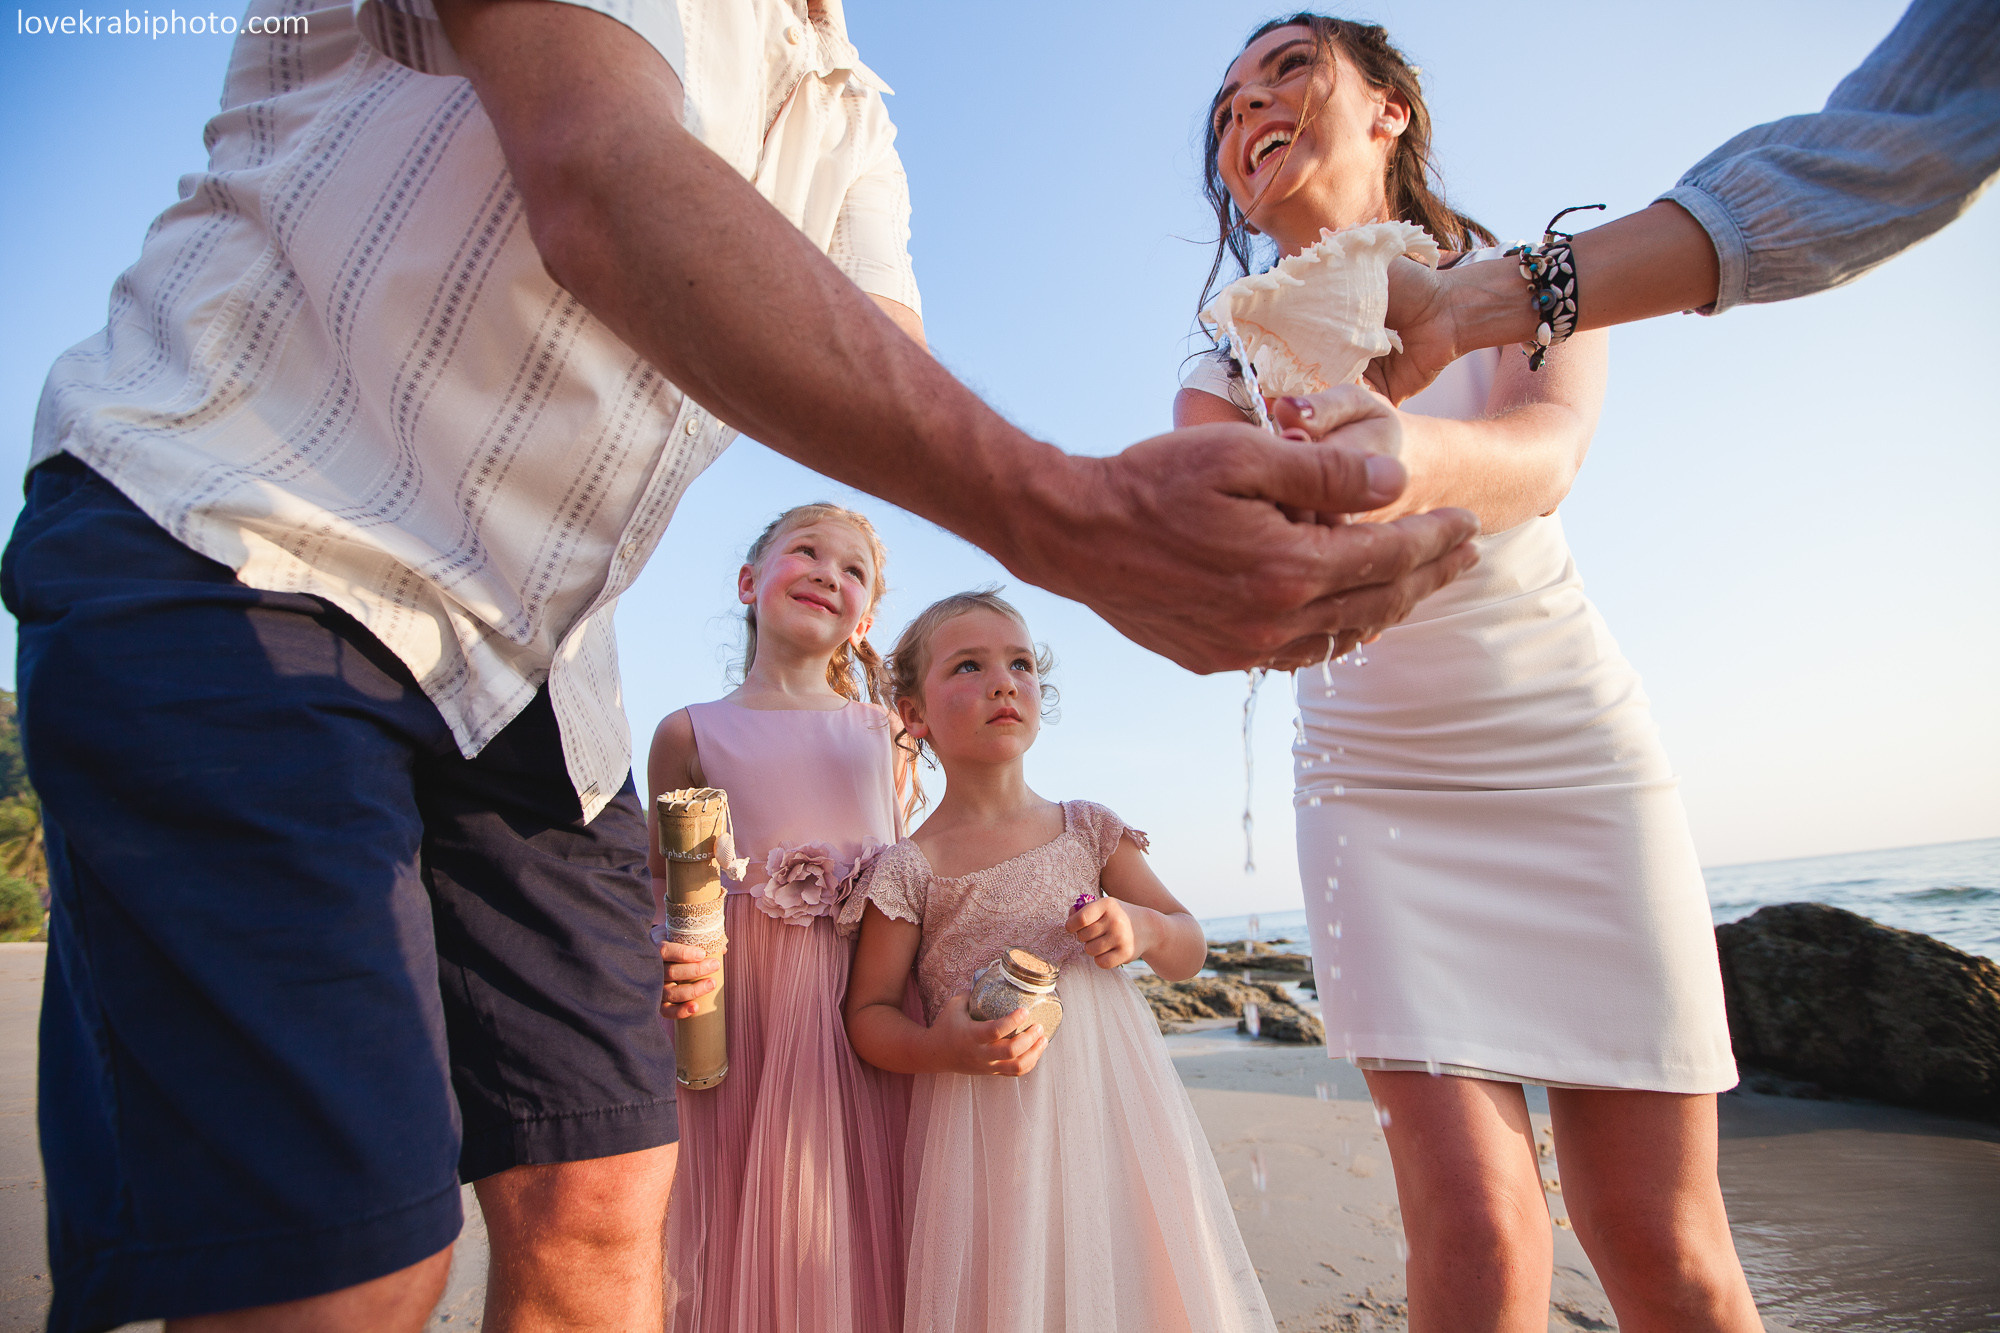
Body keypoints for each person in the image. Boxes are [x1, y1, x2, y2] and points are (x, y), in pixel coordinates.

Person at [5, 0, 1482, 1326]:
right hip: (253, 526)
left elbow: (869, 367)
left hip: (539, 680)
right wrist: (1071, 515)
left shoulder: (853, 115)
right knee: (346, 1260)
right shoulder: (705, 721)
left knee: (606, 1217)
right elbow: (595, 164)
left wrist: (1127, 519)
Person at [1181, 16, 1765, 1332]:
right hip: (1372, 789)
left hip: (1569, 751)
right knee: (1482, 1230)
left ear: (1389, 110)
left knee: (1660, 1241)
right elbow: (1225, 555)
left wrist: (1397, 456)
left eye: (1284, 71)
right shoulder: (1226, 374)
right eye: (1223, 107)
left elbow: (1545, 455)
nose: (1245, 112)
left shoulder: (1531, 283)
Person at [840, 590, 1276, 1333]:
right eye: (969, 666)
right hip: (985, 1127)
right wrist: (935, 1046)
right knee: (1020, 1291)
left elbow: (1189, 943)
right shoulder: (909, 868)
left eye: (1019, 663)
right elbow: (867, 1015)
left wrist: (1141, 927)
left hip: (1115, 1110)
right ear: (913, 715)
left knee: (1135, 1278)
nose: (1003, 681)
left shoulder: (1089, 829)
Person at [1373, 0, 2000, 403]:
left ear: (1391, 111)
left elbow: (1903, 131)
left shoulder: (1509, 270)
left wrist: (1464, 307)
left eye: (1292, 65)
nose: (1266, 95)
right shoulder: (1269, 344)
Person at [646, 503, 911, 1332]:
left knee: (859, 1225)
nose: (831, 572)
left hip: (858, 1009)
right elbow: (661, 887)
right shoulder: (689, 731)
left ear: (864, 618)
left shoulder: (886, 732)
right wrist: (665, 956)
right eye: (807, 551)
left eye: (854, 568)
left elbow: (905, 877)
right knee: (744, 1225)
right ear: (749, 581)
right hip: (742, 1018)